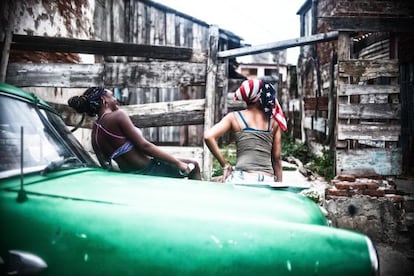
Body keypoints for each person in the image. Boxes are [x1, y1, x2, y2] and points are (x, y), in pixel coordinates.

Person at [68, 87, 201, 180]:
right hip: (150, 170)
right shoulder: (118, 116)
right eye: (112, 95)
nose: (116, 99)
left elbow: (105, 164)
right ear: (104, 100)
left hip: (130, 175)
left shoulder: (95, 131)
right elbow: (145, 146)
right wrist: (177, 163)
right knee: (193, 166)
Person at [204, 79, 287, 184]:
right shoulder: (273, 122)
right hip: (267, 179)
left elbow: (208, 136)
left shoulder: (234, 117)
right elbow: (276, 158)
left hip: (241, 178)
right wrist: (279, 184)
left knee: (212, 183)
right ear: (260, 98)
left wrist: (225, 165)